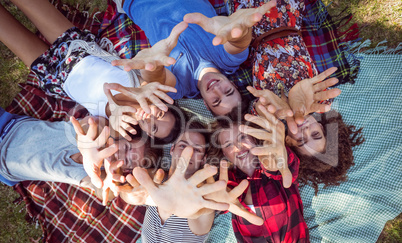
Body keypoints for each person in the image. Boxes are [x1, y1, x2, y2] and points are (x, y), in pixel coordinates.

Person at [201, 0, 364, 193]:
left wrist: (280, 111)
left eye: (301, 140)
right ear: (322, 127)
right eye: (315, 134)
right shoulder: (320, 100)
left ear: (288, 142)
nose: (305, 130)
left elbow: (255, 112)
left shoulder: (271, 118)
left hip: (252, 27)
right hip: (289, 15)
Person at [0, 0, 182, 145]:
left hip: (54, 77)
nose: (150, 119)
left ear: (148, 134)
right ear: (163, 104)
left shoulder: (120, 128)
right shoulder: (153, 88)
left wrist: (101, 127)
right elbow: (157, 75)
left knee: (4, 28)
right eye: (159, 115)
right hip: (76, 48)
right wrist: (155, 66)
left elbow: (89, 128)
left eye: (154, 128)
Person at [113, 121, 263, 243]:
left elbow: (200, 220)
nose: (188, 153)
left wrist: (191, 209)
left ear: (203, 159)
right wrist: (135, 197)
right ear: (172, 149)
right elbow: (131, 192)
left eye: (197, 150)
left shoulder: (202, 197)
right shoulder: (157, 178)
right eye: (183, 146)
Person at [111, 0, 277, 116]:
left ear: (205, 103)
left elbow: (158, 79)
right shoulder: (229, 60)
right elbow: (238, 42)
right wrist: (239, 31)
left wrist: (152, 67)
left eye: (216, 101)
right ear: (232, 83)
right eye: (228, 91)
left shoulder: (180, 87)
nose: (217, 89)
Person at [210, 105, 312, 243]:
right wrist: (217, 199)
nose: (238, 147)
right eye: (229, 144)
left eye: (243, 137)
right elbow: (219, 202)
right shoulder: (229, 180)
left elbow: (289, 167)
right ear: (224, 153)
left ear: (254, 137)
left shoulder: (273, 161)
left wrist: (277, 162)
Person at [0, 106, 158, 195]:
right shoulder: (98, 132)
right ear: (122, 138)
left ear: (127, 169)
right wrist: (87, 148)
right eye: (127, 148)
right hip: (9, 125)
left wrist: (112, 185)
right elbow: (91, 123)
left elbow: (104, 191)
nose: (119, 153)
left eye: (128, 160)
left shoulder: (95, 174)